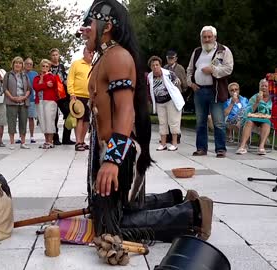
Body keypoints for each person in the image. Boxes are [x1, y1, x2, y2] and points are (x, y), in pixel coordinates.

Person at [81, 0, 213, 243]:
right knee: (110, 211)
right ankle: (172, 200)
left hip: (119, 151)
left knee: (109, 228)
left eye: (89, 23)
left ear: (107, 26)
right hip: (111, 149)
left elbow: (126, 111)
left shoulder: (118, 57)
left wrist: (112, 160)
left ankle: (192, 214)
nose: (84, 29)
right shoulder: (105, 57)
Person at [187, 25, 234, 158]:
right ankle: (201, 148)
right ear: (201, 38)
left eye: (209, 37)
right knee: (200, 121)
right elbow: (189, 70)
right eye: (204, 37)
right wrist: (191, 83)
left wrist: (213, 70)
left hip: (215, 91)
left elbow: (228, 69)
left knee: (218, 122)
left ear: (215, 37)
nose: (207, 39)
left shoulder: (223, 51)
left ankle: (220, 149)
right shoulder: (197, 51)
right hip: (199, 90)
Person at [147, 56, 185, 151]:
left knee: (173, 122)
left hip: (171, 100)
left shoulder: (168, 73)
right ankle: (163, 144)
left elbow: (177, 81)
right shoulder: (149, 76)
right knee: (162, 122)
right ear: (150, 67)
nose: (155, 67)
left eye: (157, 65)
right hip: (160, 102)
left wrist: (176, 81)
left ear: (160, 65)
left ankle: (174, 143)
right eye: (153, 65)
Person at [236, 79, 272, 155]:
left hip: (267, 119)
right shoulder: (255, 97)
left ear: (270, 87)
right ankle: (242, 146)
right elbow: (248, 112)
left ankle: (261, 147)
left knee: (267, 123)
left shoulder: (273, 98)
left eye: (266, 86)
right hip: (253, 117)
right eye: (262, 86)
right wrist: (257, 102)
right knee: (249, 121)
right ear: (259, 87)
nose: (264, 88)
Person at [67, 47, 93, 151]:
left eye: (92, 53)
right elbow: (70, 79)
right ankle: (78, 142)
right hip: (77, 96)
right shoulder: (76, 64)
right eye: (89, 52)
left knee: (87, 120)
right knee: (79, 119)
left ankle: (82, 141)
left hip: (90, 97)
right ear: (84, 53)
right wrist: (71, 93)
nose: (91, 54)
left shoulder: (93, 66)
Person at [3, 56, 31, 150]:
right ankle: (12, 142)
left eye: (19, 63)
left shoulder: (25, 75)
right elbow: (5, 89)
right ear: (13, 64)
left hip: (23, 101)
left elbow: (28, 89)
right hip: (11, 101)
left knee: (23, 122)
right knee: (11, 122)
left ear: (22, 65)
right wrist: (12, 97)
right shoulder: (8, 75)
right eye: (16, 63)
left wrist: (24, 97)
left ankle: (23, 142)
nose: (18, 65)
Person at [50, 48, 75, 145]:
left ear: (59, 55)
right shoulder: (49, 66)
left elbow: (64, 78)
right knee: (54, 117)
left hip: (63, 94)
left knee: (69, 113)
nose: (55, 57)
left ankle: (66, 138)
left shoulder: (61, 66)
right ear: (51, 56)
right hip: (53, 94)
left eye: (56, 55)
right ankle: (55, 138)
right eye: (53, 55)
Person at [33, 59, 58, 149]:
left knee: (49, 120)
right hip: (39, 101)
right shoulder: (37, 77)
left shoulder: (52, 76)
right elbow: (36, 87)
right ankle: (46, 141)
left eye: (47, 66)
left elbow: (52, 84)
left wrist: (44, 83)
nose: (45, 68)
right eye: (43, 66)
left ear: (49, 68)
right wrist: (44, 83)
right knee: (42, 121)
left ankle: (50, 141)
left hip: (50, 100)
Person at [24, 58, 38, 144]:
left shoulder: (35, 74)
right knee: (22, 119)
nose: (29, 65)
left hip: (32, 99)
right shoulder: (21, 73)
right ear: (24, 64)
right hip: (22, 98)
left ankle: (32, 136)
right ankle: (21, 136)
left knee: (31, 118)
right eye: (27, 64)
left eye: (30, 64)